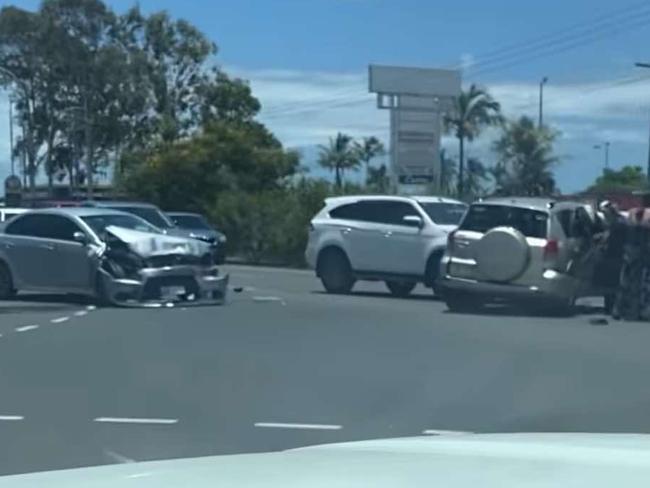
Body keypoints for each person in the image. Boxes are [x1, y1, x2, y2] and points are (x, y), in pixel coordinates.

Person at [612, 197, 650, 321]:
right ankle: (637, 311)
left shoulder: (631, 213)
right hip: (643, 252)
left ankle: (619, 310)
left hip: (629, 250)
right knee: (641, 283)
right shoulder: (645, 215)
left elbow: (623, 227)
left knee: (625, 281)